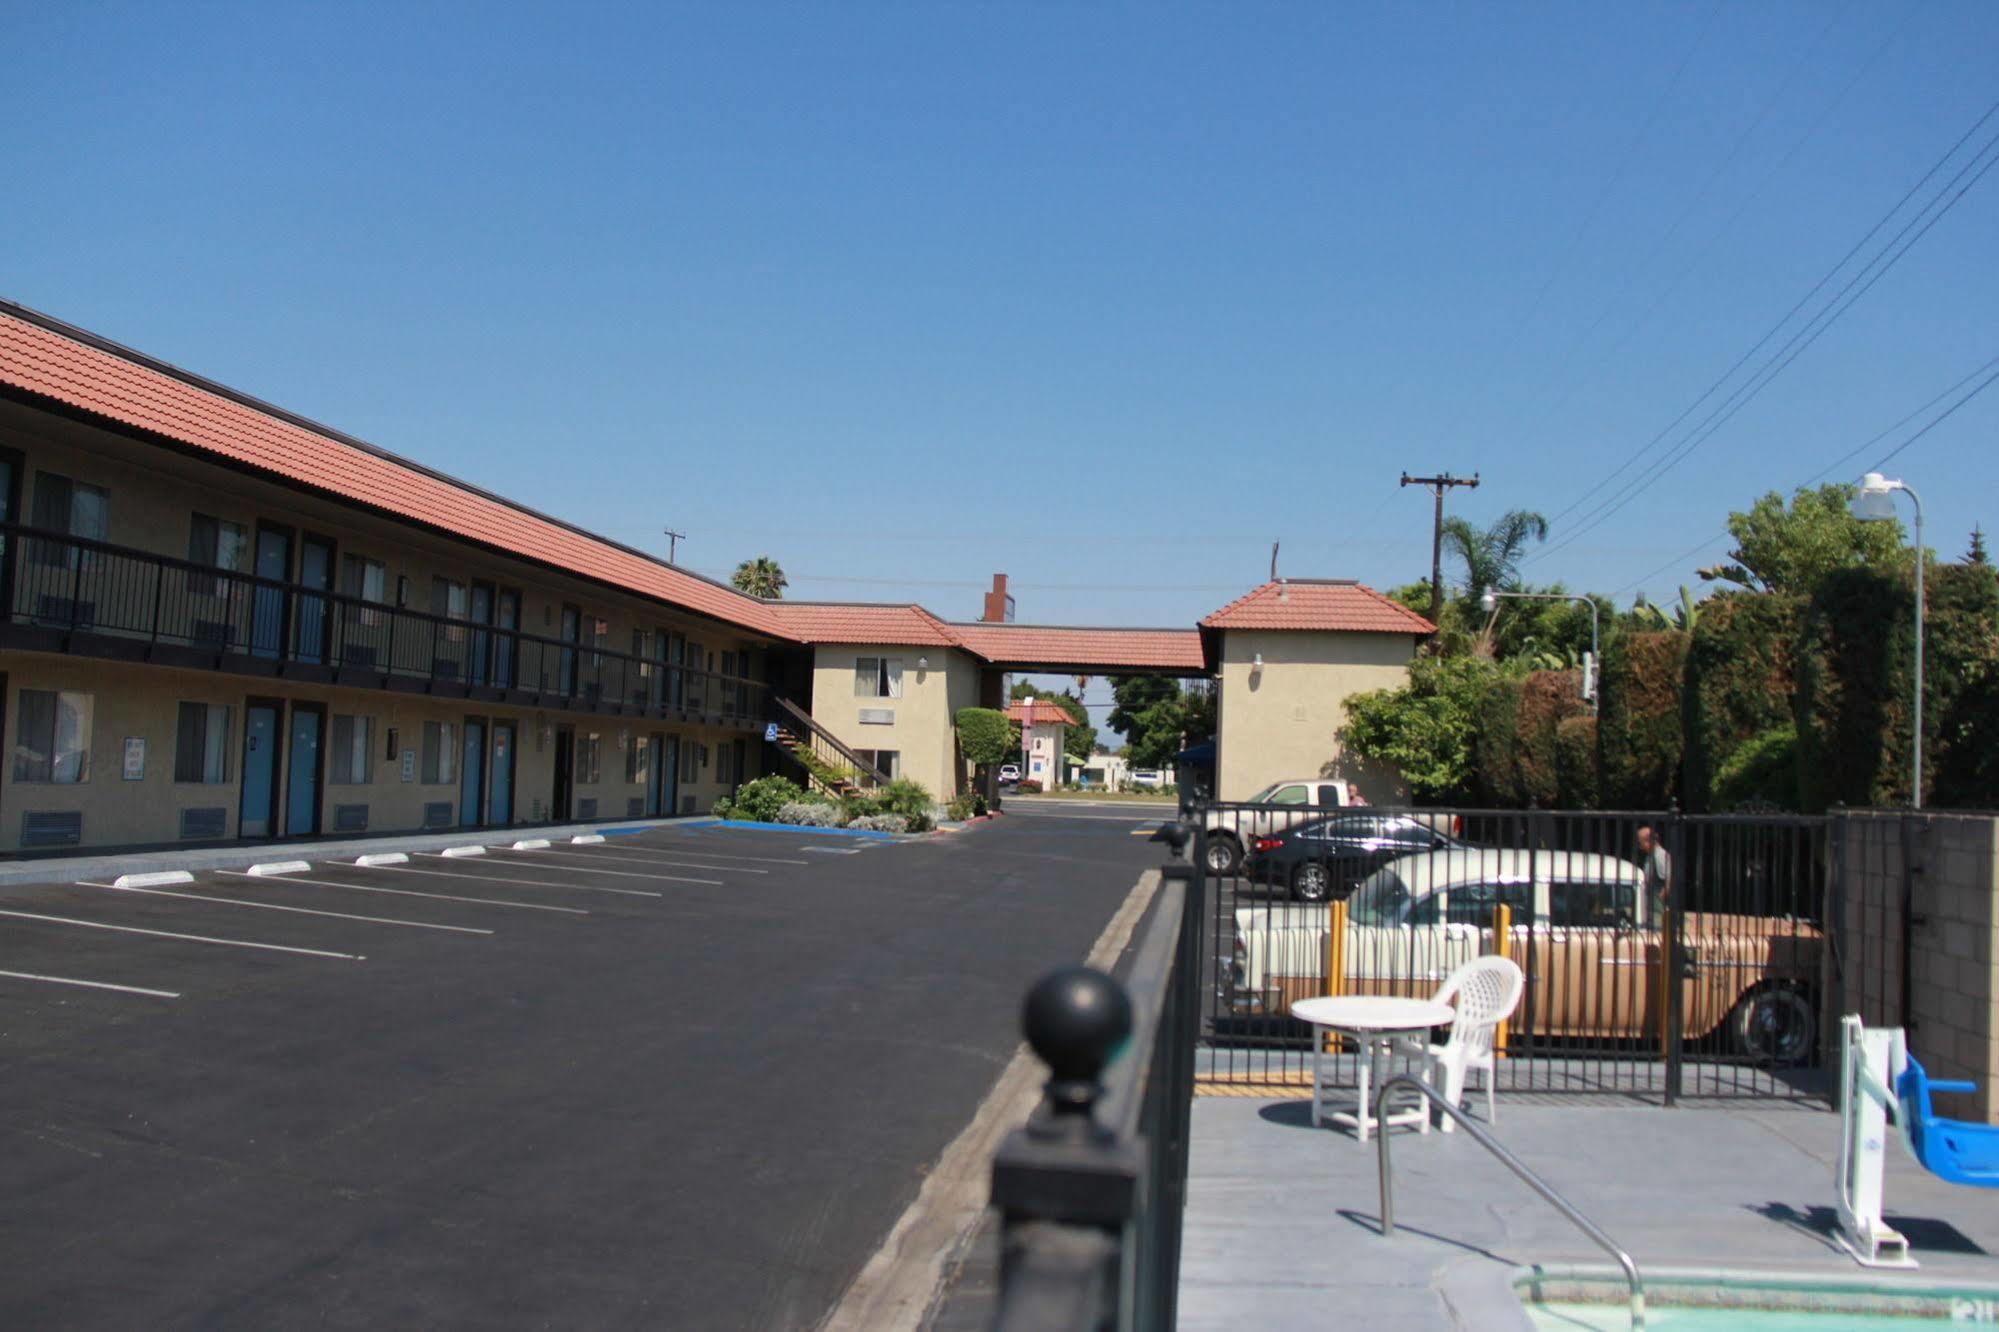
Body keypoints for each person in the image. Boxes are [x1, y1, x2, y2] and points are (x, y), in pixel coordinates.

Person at [1635, 824, 1671, 916]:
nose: (1639, 846)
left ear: (1648, 841)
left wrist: (1659, 900)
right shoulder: (1651, 856)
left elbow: (1669, 881)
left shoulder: (1660, 856)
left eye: (1640, 842)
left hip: (1657, 908)